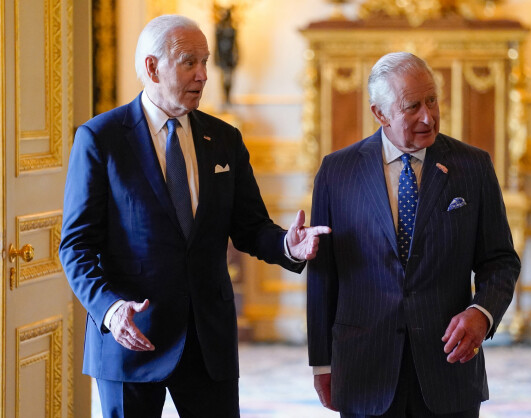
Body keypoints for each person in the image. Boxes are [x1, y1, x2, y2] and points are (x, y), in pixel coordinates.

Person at [59, 14, 329, 418]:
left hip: (208, 342)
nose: (204, 75)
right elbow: (76, 246)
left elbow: (250, 227)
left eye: (205, 62)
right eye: (190, 62)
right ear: (152, 67)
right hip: (132, 339)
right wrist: (110, 309)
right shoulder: (101, 139)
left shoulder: (224, 139)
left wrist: (288, 245)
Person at [307, 52, 520, 417]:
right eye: (412, 106)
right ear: (380, 113)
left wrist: (482, 312)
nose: (428, 116)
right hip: (364, 368)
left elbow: (500, 260)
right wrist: (322, 364)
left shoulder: (473, 166)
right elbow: (324, 276)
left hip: (447, 368)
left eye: (432, 100)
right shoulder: (336, 171)